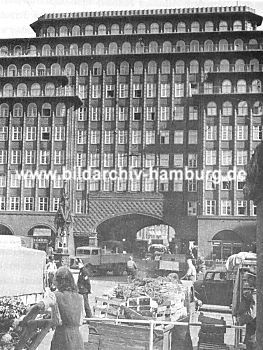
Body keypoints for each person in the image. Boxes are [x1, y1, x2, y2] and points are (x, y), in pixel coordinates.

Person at [24, 267, 85, 350]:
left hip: (62, 338)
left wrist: (25, 320)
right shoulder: (80, 297)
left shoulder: (55, 295)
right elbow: (79, 318)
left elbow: (38, 306)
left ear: (59, 282)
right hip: (77, 338)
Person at [237, 272, 256, 350]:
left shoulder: (256, 293)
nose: (247, 281)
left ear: (254, 279)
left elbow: (252, 314)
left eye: (249, 278)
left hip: (254, 333)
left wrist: (240, 319)